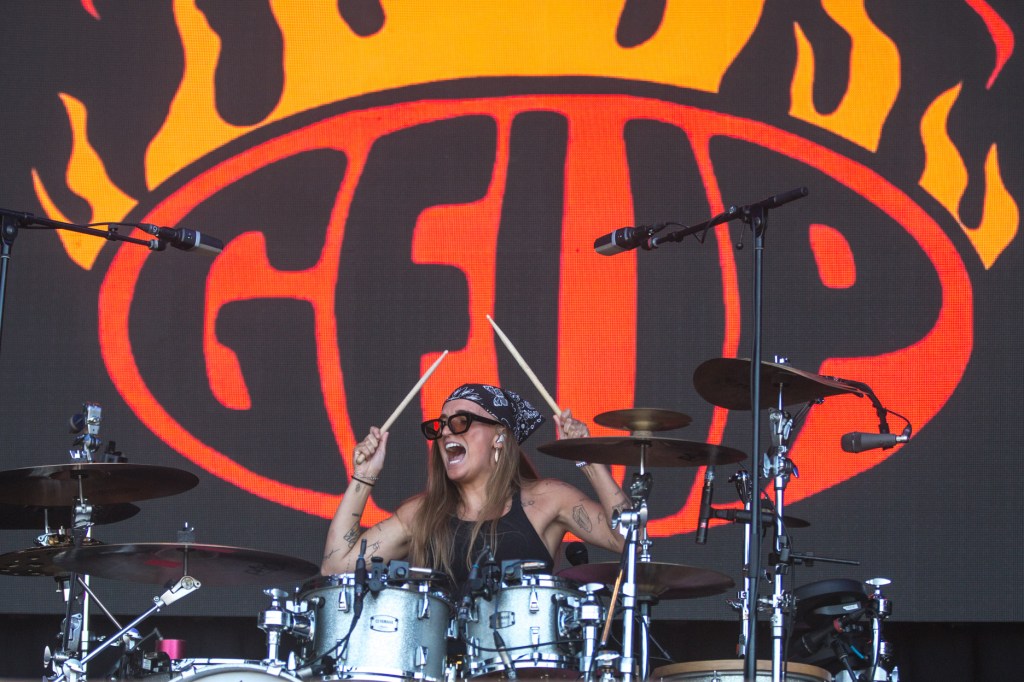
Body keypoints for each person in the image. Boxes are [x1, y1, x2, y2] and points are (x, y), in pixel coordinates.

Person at [321, 383, 630, 591]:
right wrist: (363, 476)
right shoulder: (420, 514)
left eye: (461, 422)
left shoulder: (548, 499)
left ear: (500, 437)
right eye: (441, 425)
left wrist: (587, 458)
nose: (445, 433)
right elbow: (335, 569)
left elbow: (630, 541)